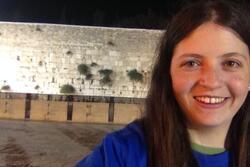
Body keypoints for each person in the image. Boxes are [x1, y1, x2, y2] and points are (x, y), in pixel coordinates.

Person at [75, 0, 250, 166]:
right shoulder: (121, 153)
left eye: (231, 63)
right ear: (168, 73)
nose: (211, 82)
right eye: (191, 63)